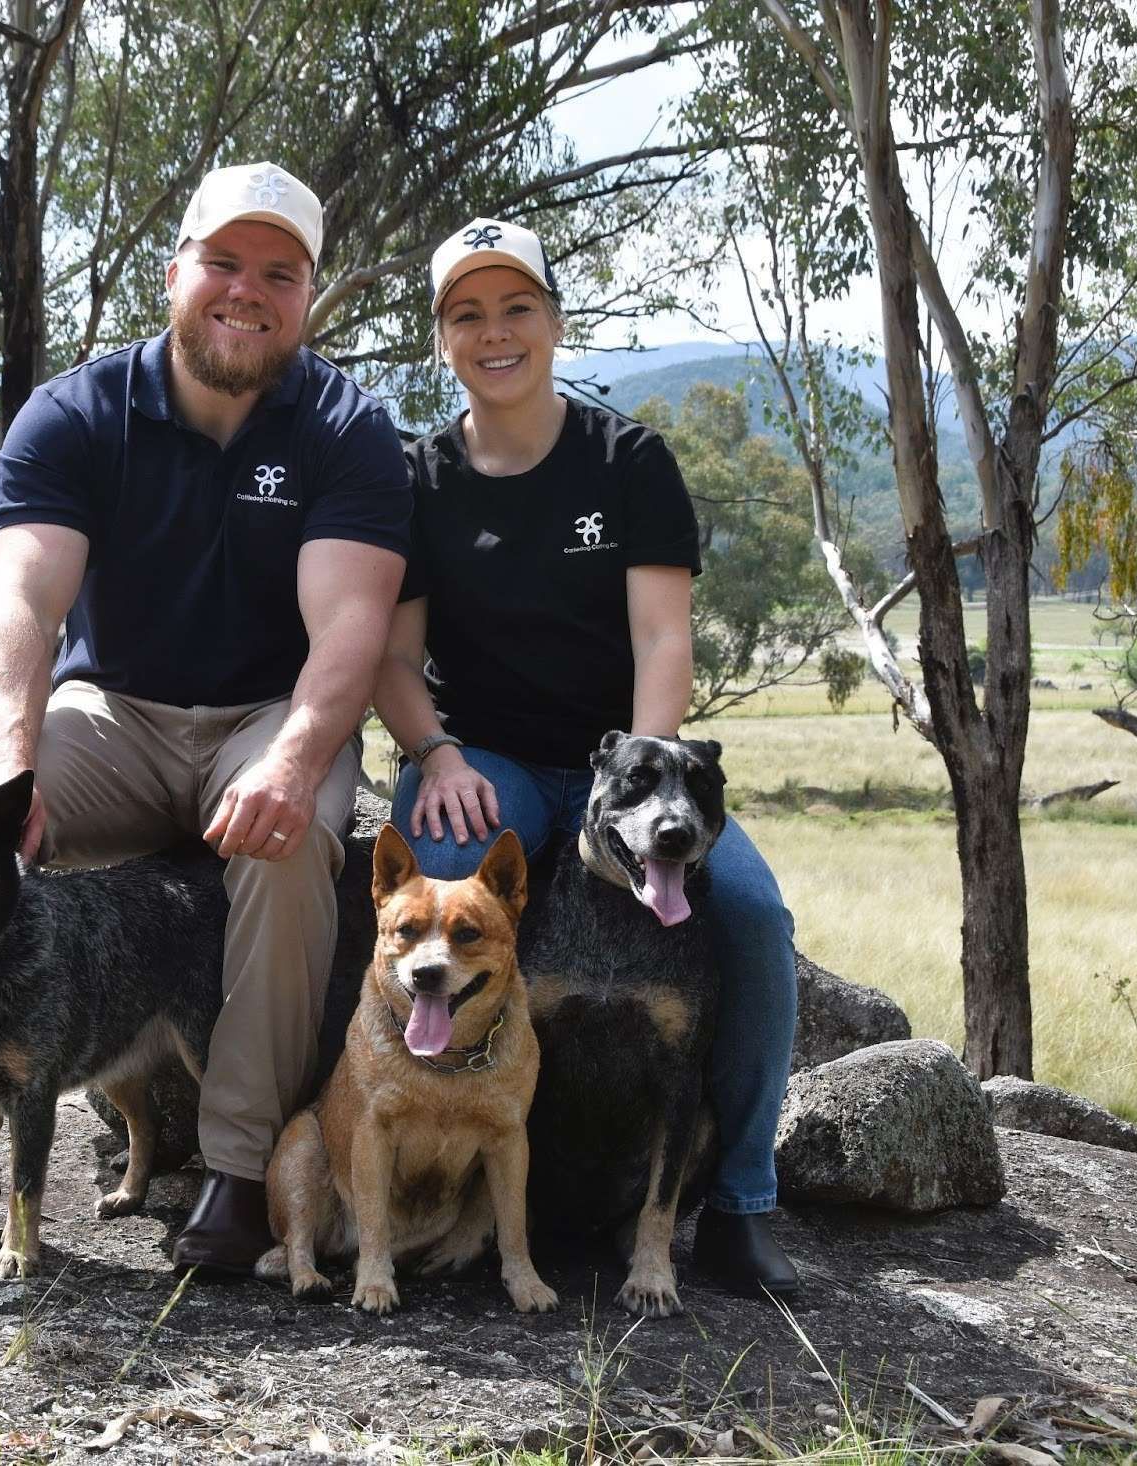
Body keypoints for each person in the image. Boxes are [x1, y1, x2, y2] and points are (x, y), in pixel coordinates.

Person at [0, 162, 411, 1274]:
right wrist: (13, 762)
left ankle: (238, 1170)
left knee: (295, 849)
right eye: (224, 263)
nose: (247, 292)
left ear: (307, 297)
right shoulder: (75, 413)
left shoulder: (346, 429)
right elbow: (21, 604)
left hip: (268, 713)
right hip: (115, 711)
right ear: (174, 274)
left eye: (278, 274)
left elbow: (350, 627)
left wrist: (295, 758)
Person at [370, 218, 800, 1297]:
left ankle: (740, 1204)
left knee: (749, 913)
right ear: (440, 340)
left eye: (517, 307)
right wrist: (435, 751)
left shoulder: (631, 462)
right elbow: (392, 652)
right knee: (431, 860)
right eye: (466, 313)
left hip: (628, 773)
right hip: (491, 760)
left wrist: (647, 795)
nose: (495, 332)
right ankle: (429, 1174)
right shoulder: (417, 478)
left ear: (556, 322)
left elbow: (662, 638)